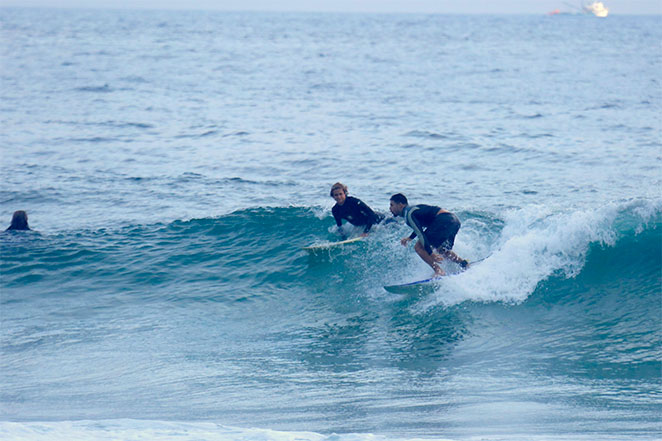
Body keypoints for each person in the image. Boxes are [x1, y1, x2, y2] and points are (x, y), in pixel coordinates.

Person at [389, 193, 467, 276]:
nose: (390, 208)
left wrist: (430, 253)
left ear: (400, 205)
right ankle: (463, 263)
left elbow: (420, 233)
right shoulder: (413, 210)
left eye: (392, 205)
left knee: (419, 247)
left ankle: (438, 271)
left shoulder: (408, 214)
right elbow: (420, 227)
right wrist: (410, 238)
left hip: (444, 220)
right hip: (454, 221)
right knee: (442, 249)